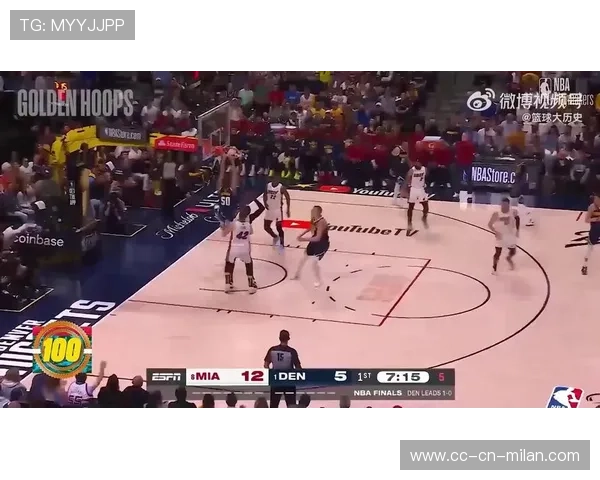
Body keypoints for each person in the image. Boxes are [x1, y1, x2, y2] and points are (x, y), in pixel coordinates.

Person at [220, 199, 265, 293]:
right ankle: (251, 285)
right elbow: (250, 232)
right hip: (245, 247)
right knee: (249, 264)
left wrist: (222, 226)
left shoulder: (234, 223)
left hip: (234, 246)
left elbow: (223, 233)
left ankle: (228, 284)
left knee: (229, 262)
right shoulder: (249, 224)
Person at [291, 205, 329, 287]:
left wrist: (303, 239)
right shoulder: (314, 219)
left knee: (314, 263)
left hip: (322, 244)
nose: (312, 211)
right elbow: (310, 227)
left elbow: (318, 238)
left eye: (314, 210)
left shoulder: (322, 222)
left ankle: (319, 281)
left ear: (319, 212)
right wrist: (301, 234)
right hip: (314, 242)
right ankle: (297, 275)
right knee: (304, 258)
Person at [264, 329, 302, 408]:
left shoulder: (272, 350)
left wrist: (272, 374)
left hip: (276, 381)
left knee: (274, 406)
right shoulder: (292, 351)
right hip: (289, 382)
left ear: (279, 338)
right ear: (288, 339)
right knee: (291, 406)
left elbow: (266, 365)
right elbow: (298, 368)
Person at [487, 198, 520, 274]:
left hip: (509, 235)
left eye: (505, 205)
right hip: (500, 236)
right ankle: (494, 268)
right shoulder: (496, 214)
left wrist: (517, 230)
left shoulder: (513, 212)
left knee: (513, 251)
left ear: (508, 205)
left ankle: (508, 258)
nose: (503, 206)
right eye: (502, 204)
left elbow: (518, 219)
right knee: (497, 253)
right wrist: (495, 232)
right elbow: (489, 224)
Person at [263, 169, 291, 251]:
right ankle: (275, 236)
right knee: (266, 227)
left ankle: (282, 243)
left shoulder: (281, 187)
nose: (276, 179)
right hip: (269, 209)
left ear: (279, 179)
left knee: (279, 228)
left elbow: (288, 198)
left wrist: (288, 209)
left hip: (277, 210)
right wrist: (265, 203)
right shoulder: (268, 186)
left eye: (277, 178)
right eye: (274, 178)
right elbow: (265, 194)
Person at [403, 157, 429, 233]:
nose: (417, 164)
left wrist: (424, 183)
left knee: (426, 206)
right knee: (411, 207)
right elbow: (407, 180)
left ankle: (424, 218)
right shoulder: (411, 170)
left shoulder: (424, 169)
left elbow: (426, 176)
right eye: (416, 162)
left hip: (421, 189)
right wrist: (406, 189)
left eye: (418, 162)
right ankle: (409, 223)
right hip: (413, 189)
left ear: (421, 163)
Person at [581, 192, 600, 275]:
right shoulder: (592, 207)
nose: (596, 200)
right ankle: (584, 266)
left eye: (597, 199)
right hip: (595, 229)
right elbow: (586, 220)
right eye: (595, 199)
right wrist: (595, 219)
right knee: (590, 248)